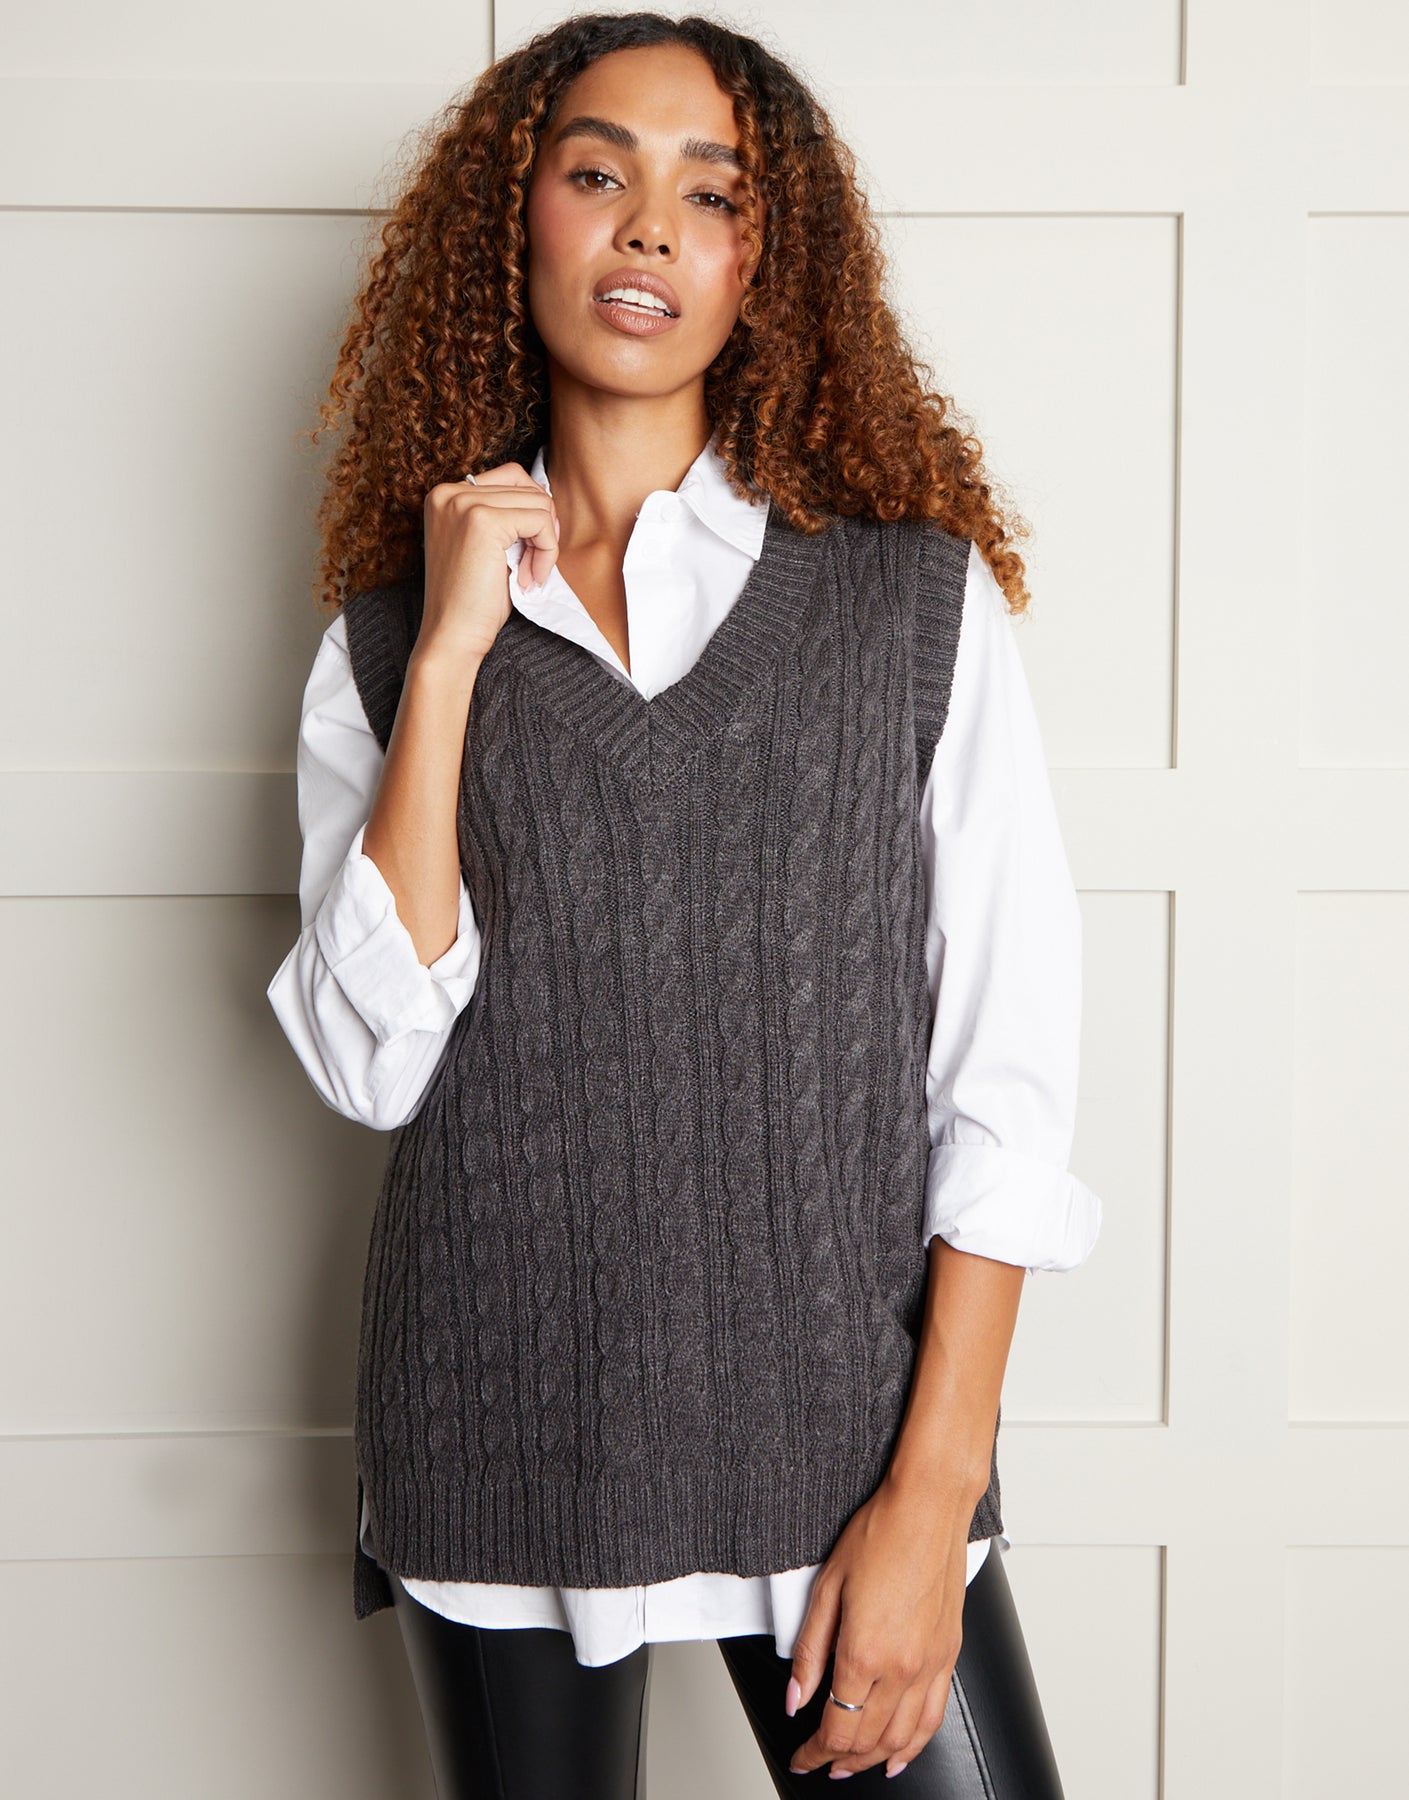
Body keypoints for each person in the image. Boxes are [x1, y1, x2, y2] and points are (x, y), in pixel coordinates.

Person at [267, 11, 1102, 1795]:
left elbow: (1004, 1082)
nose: (648, 224)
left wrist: (933, 1492)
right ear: (513, 227)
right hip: (499, 1433)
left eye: (709, 195)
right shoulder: (389, 648)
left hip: (844, 1449)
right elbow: (370, 1066)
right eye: (597, 174)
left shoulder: (908, 609)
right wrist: (452, 661)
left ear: (760, 267)